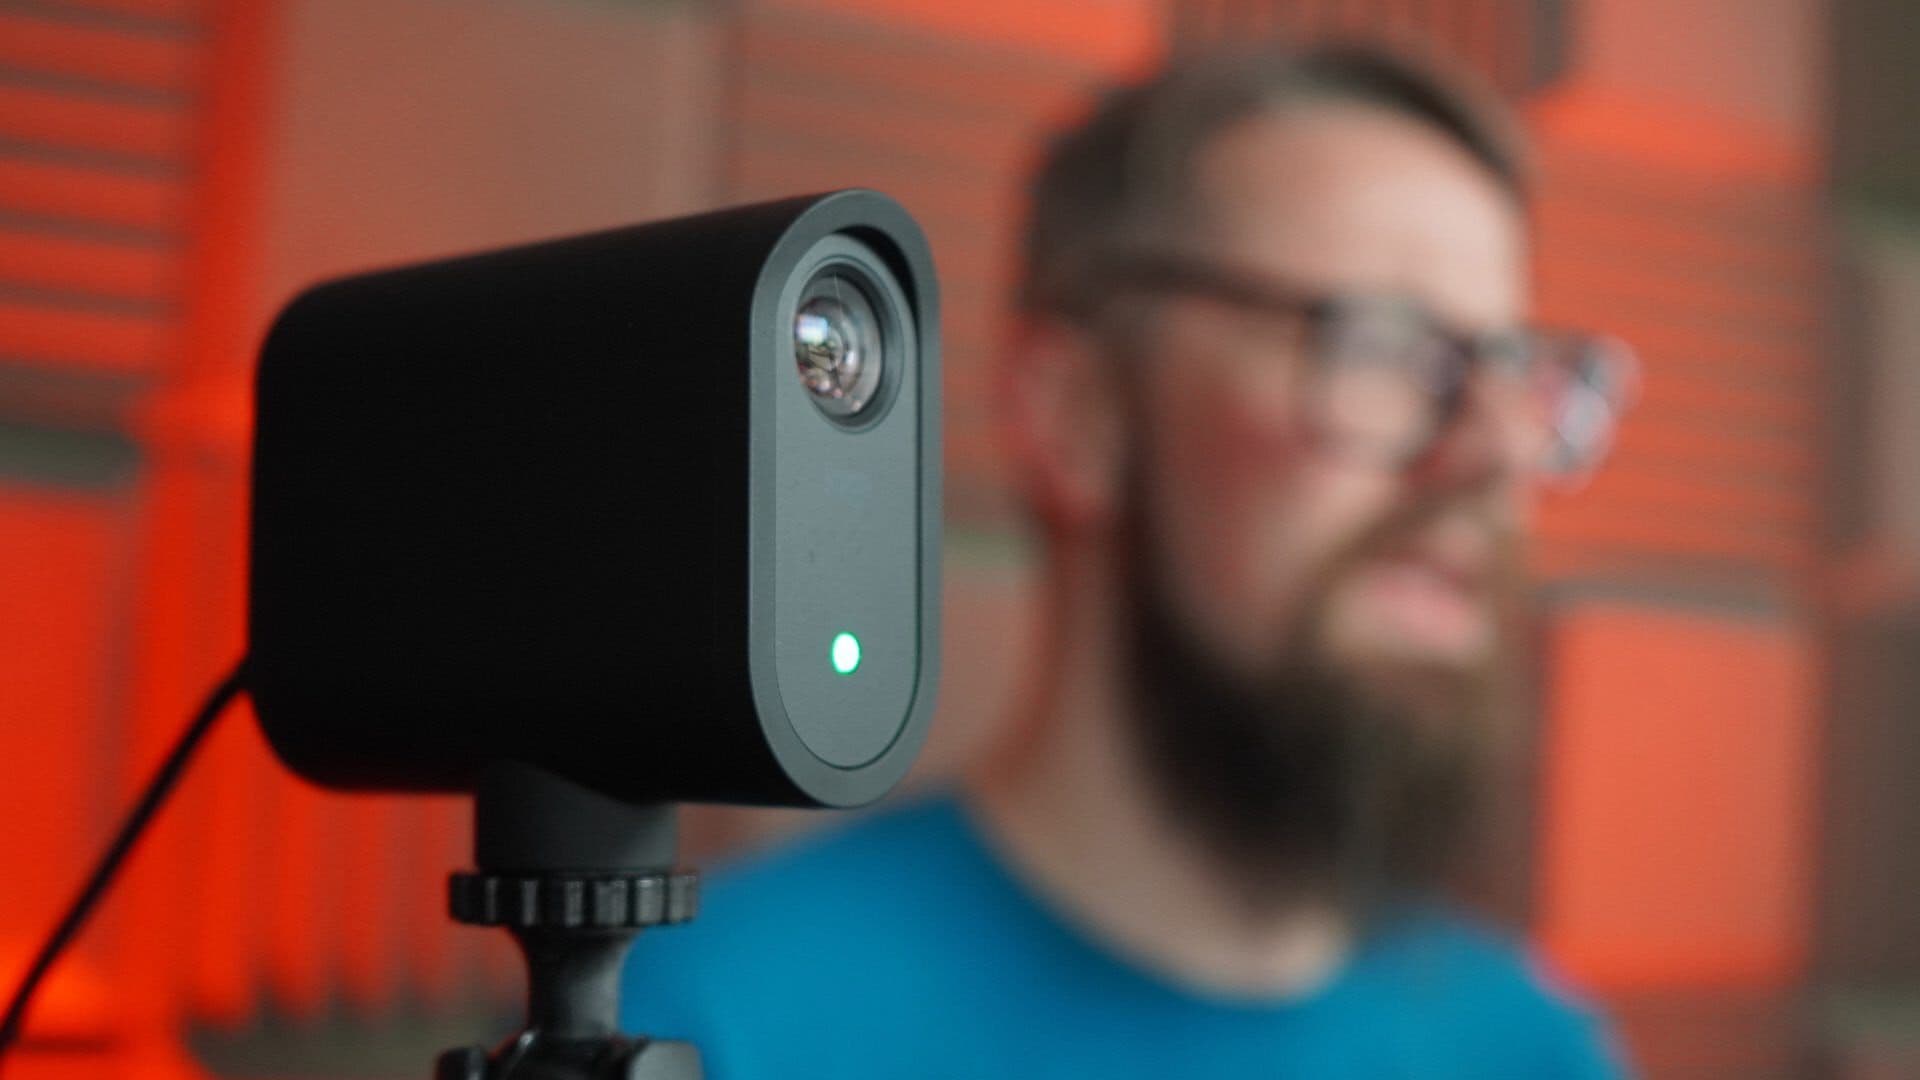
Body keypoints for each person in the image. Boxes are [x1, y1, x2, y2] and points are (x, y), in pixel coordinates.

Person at [621, 43, 1637, 1079]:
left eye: (1518, 374)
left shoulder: (1532, 1047)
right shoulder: (697, 1030)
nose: (1494, 457)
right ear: (1077, 414)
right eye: (1384, 347)